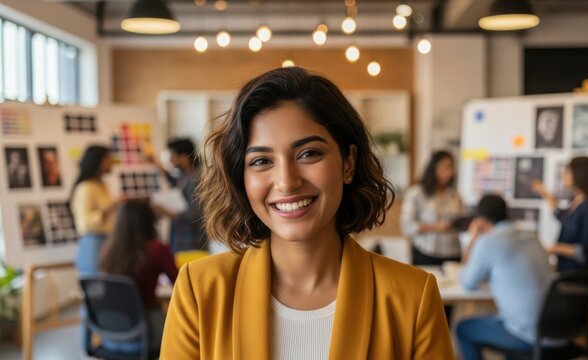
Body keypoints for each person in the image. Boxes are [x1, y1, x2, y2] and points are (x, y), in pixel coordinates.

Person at [161, 67, 453, 359]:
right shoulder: (199, 291)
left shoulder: (414, 297)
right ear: (242, 177)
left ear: (348, 163)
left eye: (308, 154)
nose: (287, 181)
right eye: (262, 160)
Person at [456, 194, 555, 360]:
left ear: (480, 220)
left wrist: (472, 239)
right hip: (558, 330)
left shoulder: (488, 242)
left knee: (463, 329)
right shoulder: (533, 238)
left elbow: (467, 282)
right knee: (504, 321)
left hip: (527, 335)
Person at [99, 200, 178, 353]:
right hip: (146, 333)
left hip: (111, 335)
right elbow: (182, 283)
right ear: (149, 221)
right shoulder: (157, 250)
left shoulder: (108, 250)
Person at [532, 156, 588, 273]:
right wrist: (545, 193)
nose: (563, 176)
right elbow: (560, 215)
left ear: (580, 174)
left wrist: (556, 248)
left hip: (582, 276)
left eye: (567, 172)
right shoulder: (577, 202)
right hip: (567, 271)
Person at [401, 150, 465, 265]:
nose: (450, 173)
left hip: (453, 253)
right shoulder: (416, 193)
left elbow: (462, 219)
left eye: (451, 168)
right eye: (446, 167)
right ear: (433, 168)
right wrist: (434, 226)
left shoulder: (455, 194)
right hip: (426, 253)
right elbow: (406, 226)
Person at [71, 145, 124, 273]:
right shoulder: (85, 188)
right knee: (99, 287)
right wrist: (111, 207)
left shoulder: (101, 185)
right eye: (108, 159)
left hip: (108, 242)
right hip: (94, 245)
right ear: (98, 161)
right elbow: (85, 224)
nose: (111, 163)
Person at [151, 138, 207, 252]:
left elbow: (195, 212)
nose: (170, 160)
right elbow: (175, 184)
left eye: (172, 156)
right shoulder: (185, 175)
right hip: (183, 239)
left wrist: (168, 213)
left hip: (191, 242)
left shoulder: (195, 178)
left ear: (183, 156)